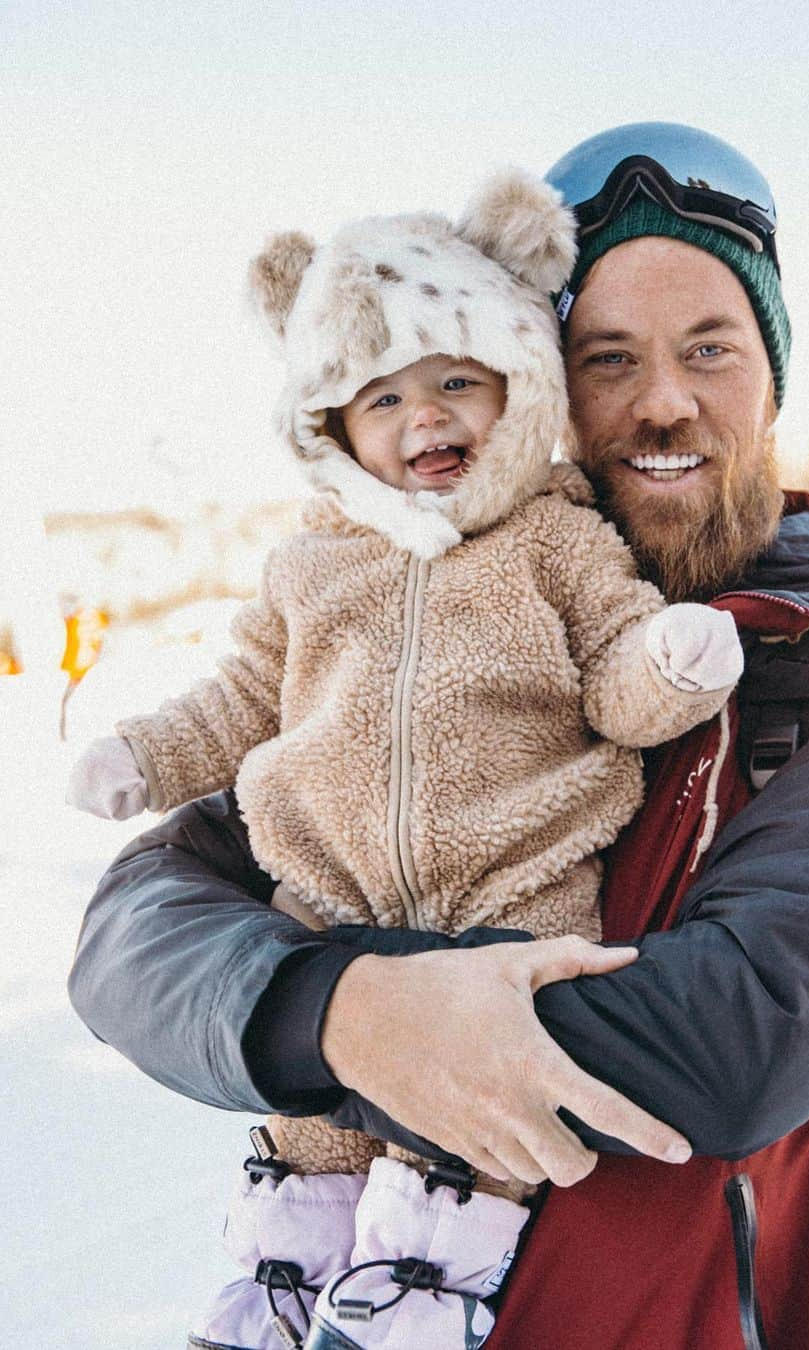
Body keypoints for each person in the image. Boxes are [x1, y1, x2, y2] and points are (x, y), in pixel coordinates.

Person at [68, 122, 809, 1350]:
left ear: (773, 376)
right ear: (541, 386)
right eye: (608, 357)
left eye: (711, 350)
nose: (663, 401)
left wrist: (327, 1008)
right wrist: (350, 1012)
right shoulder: (440, 635)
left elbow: (731, 1048)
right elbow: (133, 933)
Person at [65, 168, 744, 1349]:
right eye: (380, 400)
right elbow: (243, 699)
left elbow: (615, 673)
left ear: (517, 382)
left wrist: (671, 667)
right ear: (330, 429)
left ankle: (417, 1303)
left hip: (506, 921)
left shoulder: (558, 540)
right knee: (313, 1171)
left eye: (455, 382)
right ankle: (278, 1293)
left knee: (459, 1156)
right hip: (328, 915)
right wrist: (147, 751)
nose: (424, 419)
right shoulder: (311, 568)